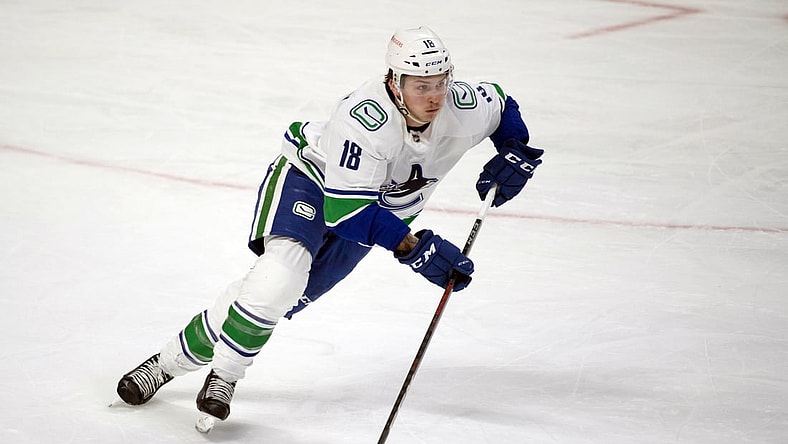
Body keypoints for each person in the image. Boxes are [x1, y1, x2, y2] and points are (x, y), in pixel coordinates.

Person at [116, 25, 543, 423]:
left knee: (275, 299)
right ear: (395, 82)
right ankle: (224, 375)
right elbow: (346, 213)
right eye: (421, 86)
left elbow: (501, 105)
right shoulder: (364, 118)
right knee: (278, 280)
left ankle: (165, 362)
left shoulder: (460, 104)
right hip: (313, 184)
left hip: (377, 212)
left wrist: (514, 150)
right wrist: (414, 249)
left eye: (440, 84)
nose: (434, 97)